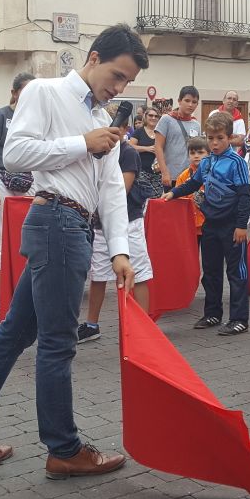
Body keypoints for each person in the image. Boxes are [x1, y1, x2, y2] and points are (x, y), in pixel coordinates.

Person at [0, 24, 144, 479]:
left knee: (17, 331)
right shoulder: (45, 91)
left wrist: (120, 250)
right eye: (116, 75)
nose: (118, 87)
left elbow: (112, 187)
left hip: (70, 225)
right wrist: (81, 144)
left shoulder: (104, 117)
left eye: (126, 82)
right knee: (57, 343)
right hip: (57, 220)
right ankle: (63, 448)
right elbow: (14, 154)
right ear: (92, 59)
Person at [166, 112, 250, 336]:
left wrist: (242, 225)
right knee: (211, 271)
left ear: (230, 137)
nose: (214, 143)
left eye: (220, 138)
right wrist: (173, 193)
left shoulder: (237, 163)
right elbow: (193, 184)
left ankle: (239, 318)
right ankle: (213, 313)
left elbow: (245, 197)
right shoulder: (206, 162)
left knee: (236, 272)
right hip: (210, 224)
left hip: (233, 225)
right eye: (211, 138)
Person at [78, 123, 154, 343]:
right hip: (99, 223)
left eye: (114, 128)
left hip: (128, 221)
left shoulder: (128, 152)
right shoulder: (94, 149)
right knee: (99, 275)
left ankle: (144, 330)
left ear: (123, 129)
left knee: (138, 273)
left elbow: (121, 190)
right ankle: (92, 325)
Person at [0, 73, 36, 301]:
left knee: (31, 237)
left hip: (31, 180)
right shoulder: (0, 116)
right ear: (14, 93)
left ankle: (27, 294)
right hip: (0, 179)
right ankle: (2, 297)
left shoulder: (38, 118)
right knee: (2, 237)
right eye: (24, 92)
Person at [154, 86, 201, 191]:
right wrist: (164, 172)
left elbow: (198, 150)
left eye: (194, 102)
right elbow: (158, 147)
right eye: (187, 100)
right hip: (171, 176)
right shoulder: (166, 119)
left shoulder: (196, 125)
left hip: (190, 177)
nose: (190, 105)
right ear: (179, 101)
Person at [175, 137, 210, 235]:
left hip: (208, 222)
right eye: (193, 153)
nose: (196, 156)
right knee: (191, 250)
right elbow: (179, 201)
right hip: (190, 222)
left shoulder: (213, 174)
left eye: (200, 152)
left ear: (208, 154)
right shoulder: (183, 176)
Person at [128, 104, 161, 199]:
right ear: (145, 117)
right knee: (142, 199)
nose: (153, 118)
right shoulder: (139, 131)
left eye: (156, 116)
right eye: (150, 115)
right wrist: (147, 148)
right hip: (142, 171)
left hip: (158, 173)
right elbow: (130, 147)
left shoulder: (161, 132)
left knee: (156, 201)